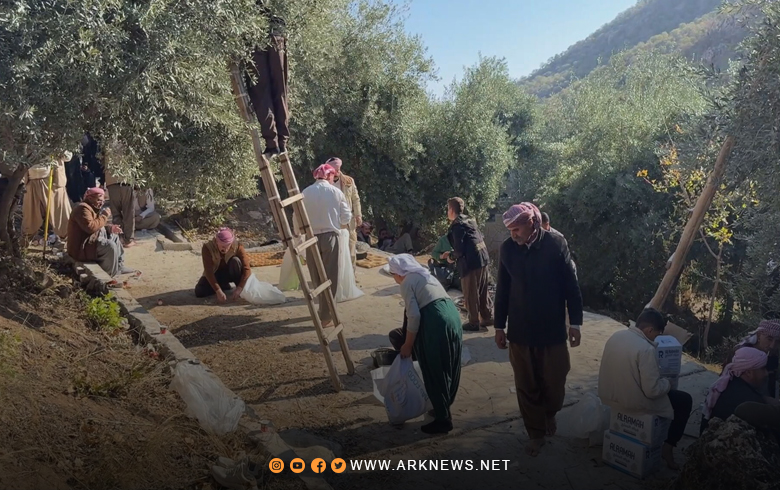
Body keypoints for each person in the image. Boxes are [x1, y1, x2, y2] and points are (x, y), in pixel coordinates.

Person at [494, 202, 583, 457]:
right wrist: (499, 326)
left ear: (532, 223)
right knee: (525, 383)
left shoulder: (556, 244)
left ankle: (550, 413)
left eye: (517, 229)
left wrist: (575, 323)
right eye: (510, 230)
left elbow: (571, 287)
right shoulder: (508, 249)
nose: (513, 234)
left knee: (555, 379)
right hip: (520, 331)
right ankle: (535, 432)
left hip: (552, 330)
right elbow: (502, 290)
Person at [598, 308, 693, 469]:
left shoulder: (616, 335)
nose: (656, 338)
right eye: (656, 334)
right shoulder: (646, 349)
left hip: (608, 394)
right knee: (685, 400)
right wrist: (667, 383)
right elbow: (652, 390)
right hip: (630, 401)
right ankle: (668, 447)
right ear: (649, 330)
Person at [389, 254, 462, 435]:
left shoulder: (406, 283)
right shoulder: (426, 276)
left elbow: (414, 316)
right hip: (453, 316)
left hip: (436, 321)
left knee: (434, 368)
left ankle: (443, 420)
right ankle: (443, 406)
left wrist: (407, 345)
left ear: (398, 274)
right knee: (449, 365)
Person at [297, 163, 351, 326]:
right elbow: (346, 217)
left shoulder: (305, 192)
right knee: (330, 275)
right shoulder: (336, 192)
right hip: (330, 236)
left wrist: (299, 233)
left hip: (310, 236)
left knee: (316, 275)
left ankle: (322, 309)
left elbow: (297, 216)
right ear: (329, 176)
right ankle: (327, 314)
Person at [246, 0, 289, 157]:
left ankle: (273, 144)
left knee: (261, 92)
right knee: (280, 90)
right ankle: (281, 143)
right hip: (276, 34)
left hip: (255, 38)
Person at [701, 347, 774, 434]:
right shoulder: (751, 402)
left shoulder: (726, 385)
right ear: (749, 373)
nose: (766, 373)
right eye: (762, 369)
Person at [445, 197, 491, 331]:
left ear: (452, 210)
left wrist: (450, 257)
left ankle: (473, 322)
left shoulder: (457, 225)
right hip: (483, 257)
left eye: (448, 209)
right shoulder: (470, 220)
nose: (447, 212)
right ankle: (486, 317)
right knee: (483, 290)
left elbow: (459, 250)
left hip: (470, 262)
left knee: (470, 293)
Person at [67, 188, 133, 278]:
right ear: (90, 198)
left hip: (91, 240)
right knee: (110, 246)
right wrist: (104, 216)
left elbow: (98, 225)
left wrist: (110, 228)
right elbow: (91, 227)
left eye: (103, 201)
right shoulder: (82, 209)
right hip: (82, 247)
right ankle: (109, 276)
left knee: (114, 236)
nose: (101, 203)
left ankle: (119, 266)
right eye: (98, 200)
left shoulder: (92, 207)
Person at [723, 319, 780, 398]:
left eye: (777, 341)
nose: (772, 346)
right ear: (759, 335)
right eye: (769, 339)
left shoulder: (772, 357)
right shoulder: (741, 353)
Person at [195, 228, 252, 302]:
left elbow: (247, 269)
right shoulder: (207, 248)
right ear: (216, 242)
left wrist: (240, 288)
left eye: (227, 246)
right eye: (222, 246)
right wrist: (218, 291)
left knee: (235, 261)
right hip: (216, 274)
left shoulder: (238, 246)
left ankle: (238, 287)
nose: (225, 249)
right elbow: (208, 271)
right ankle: (223, 286)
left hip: (232, 273)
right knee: (199, 291)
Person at [328, 157, 362, 274]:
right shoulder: (326, 183)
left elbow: (355, 199)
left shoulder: (349, 181)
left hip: (348, 222)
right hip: (333, 222)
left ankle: (351, 276)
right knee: (336, 250)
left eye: (338, 168)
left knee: (351, 249)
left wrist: (358, 215)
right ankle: (336, 275)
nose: (337, 171)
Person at [103, 143, 136, 248]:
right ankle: (129, 239)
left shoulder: (107, 143)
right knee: (128, 212)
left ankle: (120, 237)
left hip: (111, 182)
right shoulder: (128, 141)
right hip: (125, 181)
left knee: (116, 213)